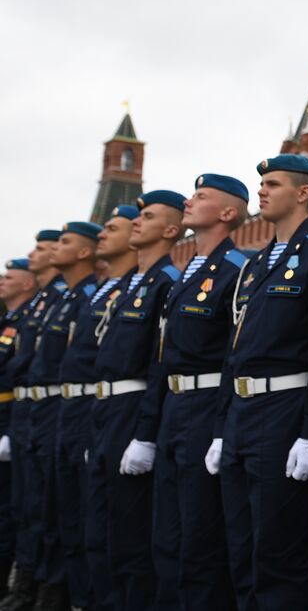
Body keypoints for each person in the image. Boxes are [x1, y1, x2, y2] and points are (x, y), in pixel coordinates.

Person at [214, 154, 308, 610]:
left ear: (304, 193)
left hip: (282, 414)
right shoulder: (257, 263)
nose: (261, 191)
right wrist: (221, 426)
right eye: (261, 183)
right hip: (242, 417)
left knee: (277, 554)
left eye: (273, 183)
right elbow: (236, 350)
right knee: (241, 548)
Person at [152, 174, 250, 610]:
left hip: (205, 405)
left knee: (199, 538)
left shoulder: (235, 270)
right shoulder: (187, 272)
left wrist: (220, 425)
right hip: (174, 406)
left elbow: (234, 354)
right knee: (167, 535)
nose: (189, 201)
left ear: (228, 213)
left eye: (202, 196)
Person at [98, 189, 186, 611]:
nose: (136, 220)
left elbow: (159, 362)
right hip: (106, 410)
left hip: (135, 411)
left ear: (171, 230)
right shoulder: (133, 284)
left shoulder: (167, 282)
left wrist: (145, 432)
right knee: (104, 525)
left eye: (146, 217)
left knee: (132, 531)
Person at [60, 205, 139, 610]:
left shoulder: (153, 283)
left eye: (114, 228)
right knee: (76, 520)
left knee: (121, 529)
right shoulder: (109, 290)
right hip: (89, 408)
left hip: (126, 409)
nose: (104, 236)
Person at [30, 222, 100, 611]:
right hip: (49, 409)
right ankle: (41, 588)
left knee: (78, 515)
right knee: (44, 509)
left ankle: (70, 595)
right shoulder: (59, 298)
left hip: (77, 407)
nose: (55, 248)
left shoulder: (87, 294)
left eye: (64, 242)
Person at [0, 230, 66, 611]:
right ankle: (26, 586)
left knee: (45, 508)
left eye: (47, 247)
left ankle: (47, 590)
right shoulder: (43, 304)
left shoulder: (64, 299)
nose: (38, 253)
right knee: (26, 507)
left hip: (49, 410)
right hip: (26, 411)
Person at [0, 258, 39, 597]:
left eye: (9, 276)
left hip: (16, 411)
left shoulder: (30, 316)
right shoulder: (10, 320)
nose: (2, 280)